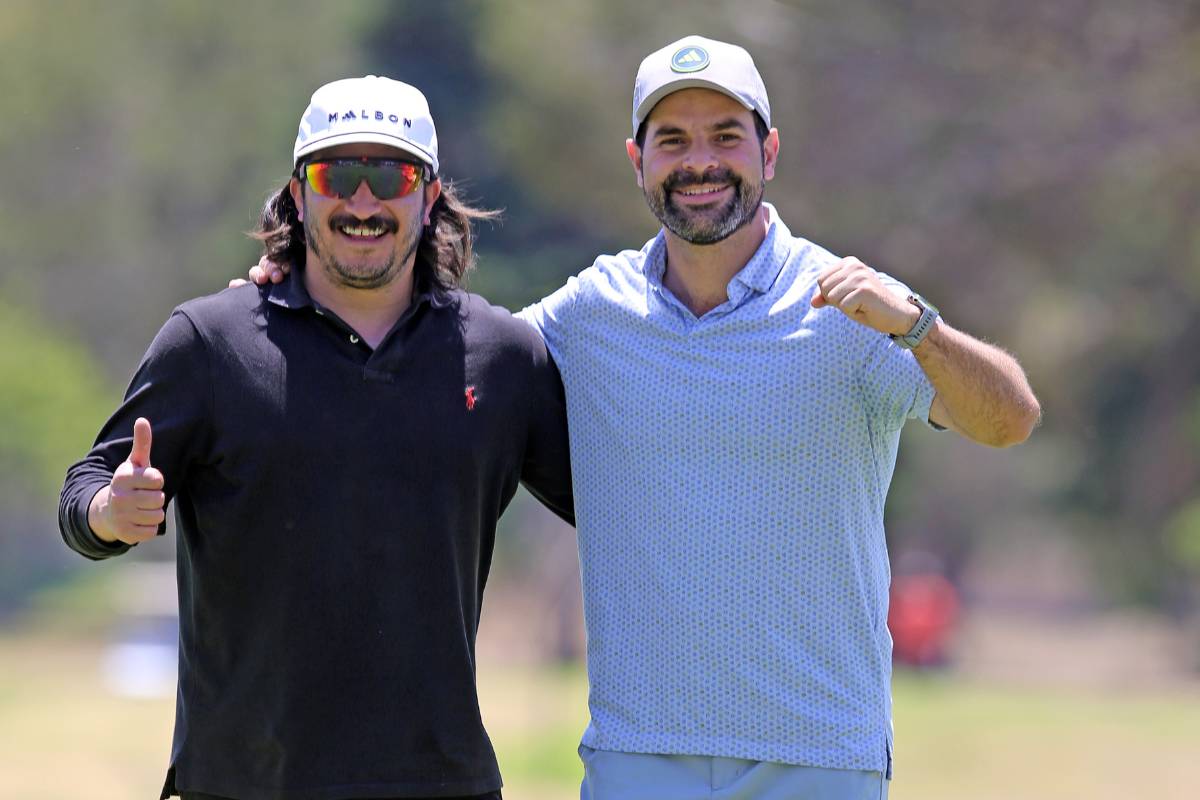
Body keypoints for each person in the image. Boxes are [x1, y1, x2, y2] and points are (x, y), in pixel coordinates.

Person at [249, 36, 1040, 800]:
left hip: (819, 754)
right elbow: (453, 359)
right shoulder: (592, 311)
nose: (700, 161)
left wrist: (921, 328)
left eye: (726, 137)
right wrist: (308, 280)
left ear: (769, 154)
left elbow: (1009, 419)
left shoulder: (852, 307)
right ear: (638, 163)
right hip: (638, 756)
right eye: (672, 140)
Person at [59, 75, 573, 800]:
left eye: (388, 175)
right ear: (300, 196)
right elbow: (85, 490)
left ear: (428, 198)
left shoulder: (503, 356)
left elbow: (622, 508)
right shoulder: (210, 341)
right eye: (339, 175)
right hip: (243, 783)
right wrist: (108, 515)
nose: (363, 202)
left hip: (440, 784)